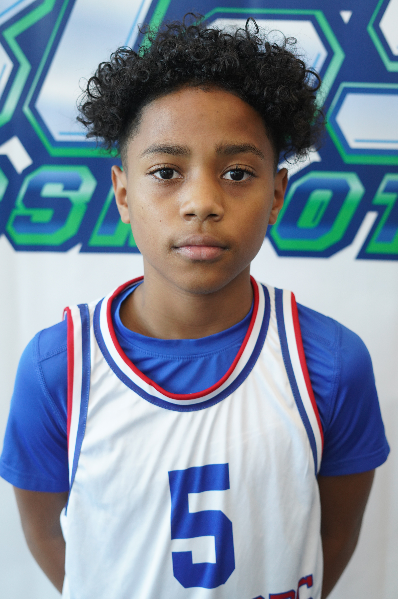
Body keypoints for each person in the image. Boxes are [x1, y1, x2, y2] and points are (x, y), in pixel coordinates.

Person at [0, 16, 390, 600]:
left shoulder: (331, 364)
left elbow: (334, 535)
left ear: (276, 195)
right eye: (165, 172)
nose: (202, 202)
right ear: (123, 194)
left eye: (237, 173)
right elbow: (47, 534)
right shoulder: (59, 367)